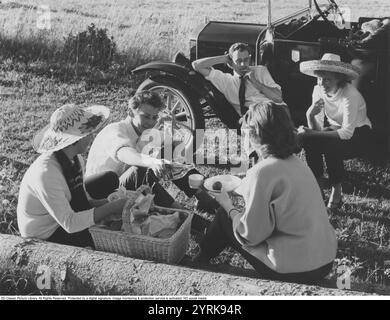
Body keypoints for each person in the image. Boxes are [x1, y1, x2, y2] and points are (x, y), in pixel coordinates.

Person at [194, 101, 337, 285]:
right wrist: (245, 184)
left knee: (224, 218)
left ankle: (199, 261)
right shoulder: (297, 163)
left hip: (294, 269)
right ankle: (202, 257)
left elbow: (250, 235)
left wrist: (228, 206)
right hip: (324, 262)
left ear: (255, 135)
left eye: (245, 132)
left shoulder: (262, 172)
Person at [85, 90, 218, 230]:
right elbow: (125, 153)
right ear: (130, 113)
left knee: (167, 151)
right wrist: (152, 161)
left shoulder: (145, 130)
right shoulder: (115, 131)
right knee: (140, 171)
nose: (150, 122)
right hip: (103, 193)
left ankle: (202, 197)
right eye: (145, 116)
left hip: (124, 186)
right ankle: (189, 219)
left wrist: (169, 127)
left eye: (154, 117)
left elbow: (176, 148)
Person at [17, 104, 127, 248]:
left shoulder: (74, 158)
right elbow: (69, 223)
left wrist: (109, 204)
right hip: (46, 234)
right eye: (89, 133)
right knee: (109, 240)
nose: (92, 136)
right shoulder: (46, 174)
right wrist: (110, 209)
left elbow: (82, 198)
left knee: (109, 179)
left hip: (61, 218)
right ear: (76, 139)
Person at [297, 53, 372, 209]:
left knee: (331, 146)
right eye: (319, 78)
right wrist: (309, 115)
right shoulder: (318, 89)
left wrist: (313, 134)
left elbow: (346, 133)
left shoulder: (350, 95)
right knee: (308, 140)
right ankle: (318, 185)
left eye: (327, 79)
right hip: (335, 129)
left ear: (339, 78)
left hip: (359, 133)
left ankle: (336, 189)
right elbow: (315, 129)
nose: (322, 83)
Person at [192, 42, 283, 120]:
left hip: (275, 114)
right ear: (231, 63)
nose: (243, 64)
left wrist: (256, 82)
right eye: (238, 61)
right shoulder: (226, 81)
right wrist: (224, 58)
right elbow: (196, 65)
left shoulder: (260, 71)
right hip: (252, 121)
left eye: (246, 60)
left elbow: (278, 98)